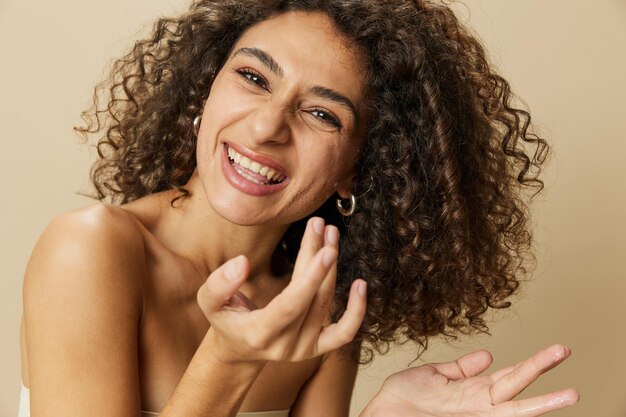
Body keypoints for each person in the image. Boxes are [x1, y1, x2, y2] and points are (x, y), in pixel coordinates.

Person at [19, 1, 579, 416]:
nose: (265, 127)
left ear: (358, 168)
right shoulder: (92, 249)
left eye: (322, 114)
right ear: (203, 90)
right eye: (253, 78)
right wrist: (229, 361)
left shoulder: (322, 301)